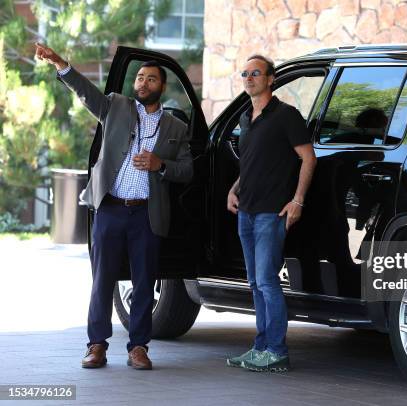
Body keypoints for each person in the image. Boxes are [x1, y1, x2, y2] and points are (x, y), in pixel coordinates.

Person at [34, 43, 193, 370]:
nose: (143, 83)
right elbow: (85, 92)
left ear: (162, 86)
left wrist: (160, 164)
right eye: (139, 78)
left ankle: (138, 348)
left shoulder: (177, 127)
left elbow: (188, 170)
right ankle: (96, 345)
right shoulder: (116, 107)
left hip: (147, 214)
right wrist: (60, 63)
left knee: (145, 282)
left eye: (151, 79)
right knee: (102, 280)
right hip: (111, 209)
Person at [226, 55, 316, 372]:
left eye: (256, 73)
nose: (249, 78)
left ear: (270, 79)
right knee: (255, 282)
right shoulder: (245, 117)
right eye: (245, 73)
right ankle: (260, 346)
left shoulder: (286, 115)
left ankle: (276, 351)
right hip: (246, 212)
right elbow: (250, 162)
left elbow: (308, 158)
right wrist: (233, 188)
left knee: (266, 281)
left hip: (271, 213)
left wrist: (298, 201)